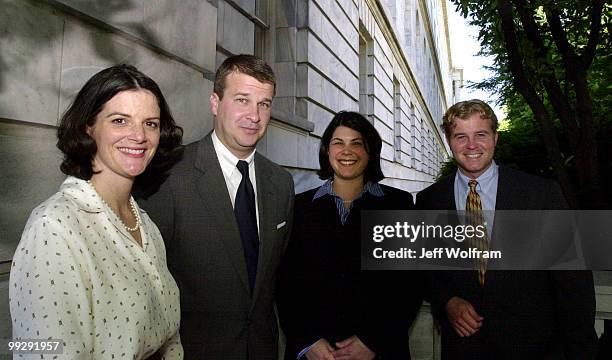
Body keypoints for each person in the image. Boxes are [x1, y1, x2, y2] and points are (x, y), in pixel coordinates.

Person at [9, 64, 184, 359]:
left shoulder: (146, 225)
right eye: (120, 120)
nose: (139, 136)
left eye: (150, 123)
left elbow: (170, 340)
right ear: (88, 127)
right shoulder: (54, 227)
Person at [138, 54, 294, 359]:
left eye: (264, 104)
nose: (255, 115)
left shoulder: (281, 182)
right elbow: (145, 286)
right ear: (214, 103)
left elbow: (277, 280)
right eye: (242, 100)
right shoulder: (168, 175)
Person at [416, 99, 597, 359]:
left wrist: (581, 352)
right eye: (460, 136)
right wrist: (447, 300)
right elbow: (425, 269)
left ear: (495, 138)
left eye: (480, 134)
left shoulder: (539, 194)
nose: (471, 146)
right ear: (449, 141)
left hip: (534, 348)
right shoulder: (428, 201)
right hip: (463, 350)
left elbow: (573, 280)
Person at [277, 111, 422, 360]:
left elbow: (410, 285)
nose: (347, 151)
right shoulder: (298, 207)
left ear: (370, 152)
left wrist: (373, 341)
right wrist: (307, 341)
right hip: (316, 352)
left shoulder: (398, 204)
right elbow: (284, 282)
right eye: (338, 143)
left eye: (357, 143)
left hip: (379, 351)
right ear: (326, 150)